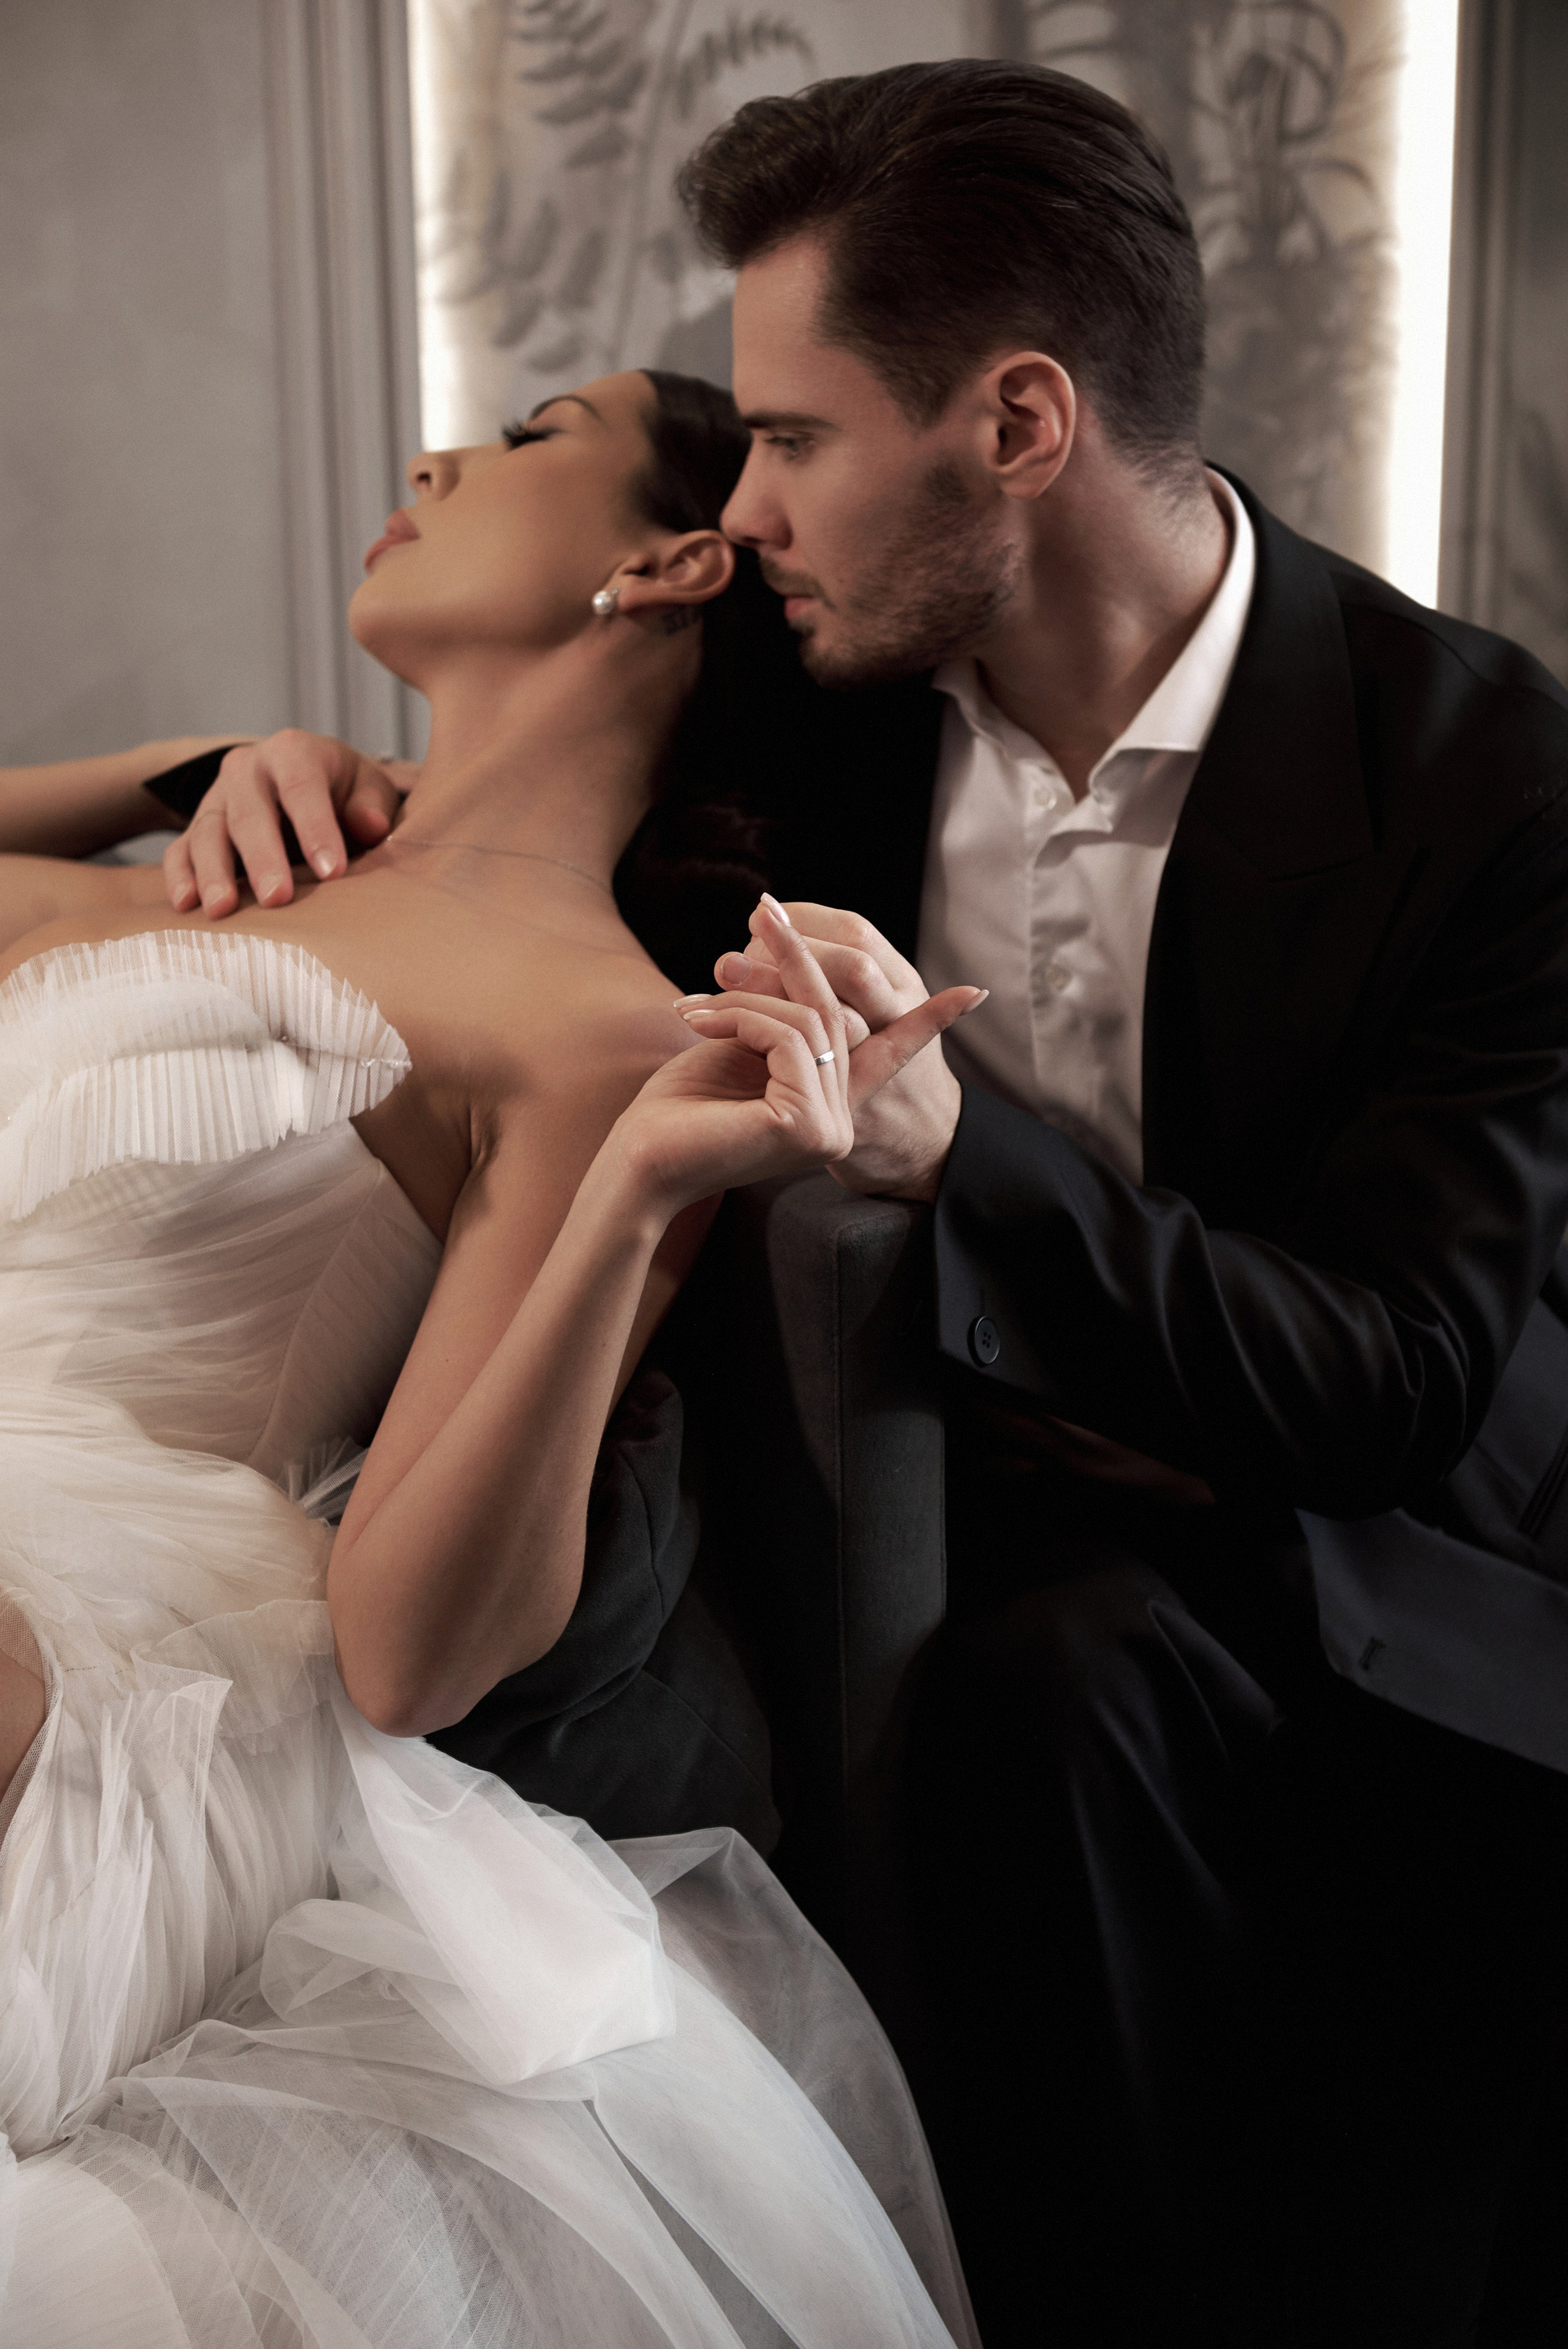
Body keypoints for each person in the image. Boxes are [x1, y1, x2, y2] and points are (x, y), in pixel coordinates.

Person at [172, 56, 1568, 2349]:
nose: (753, 503)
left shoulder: (1487, 773)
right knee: (993, 1699)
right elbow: (512, 738)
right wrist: (254, 767)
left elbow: (1394, 1382)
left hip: (1382, 1560)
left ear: (1017, 422)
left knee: (1077, 1708)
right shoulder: (814, 668)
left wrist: (961, 1153)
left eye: (797, 437)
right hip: (948, 1535)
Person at [0, 364, 984, 2345]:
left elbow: (406, 1652)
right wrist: (189, 764)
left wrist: (626, 1211)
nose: (431, 458)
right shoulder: (202, 871)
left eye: (534, 434)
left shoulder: (600, 1035)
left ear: (676, 560)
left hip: (128, 1672)